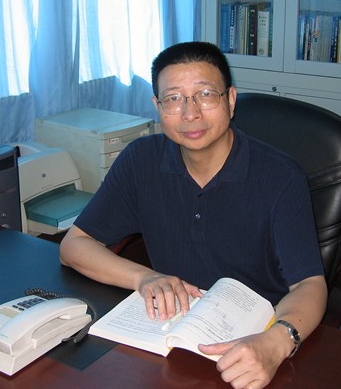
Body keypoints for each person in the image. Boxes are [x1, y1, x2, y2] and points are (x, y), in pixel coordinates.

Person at [60, 41, 327, 389]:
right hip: (172, 333)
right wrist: (144, 278)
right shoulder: (141, 161)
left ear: (231, 100)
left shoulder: (280, 177)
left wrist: (276, 342)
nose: (190, 114)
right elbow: (74, 245)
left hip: (256, 334)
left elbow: (310, 284)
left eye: (205, 94)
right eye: (174, 98)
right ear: (158, 107)